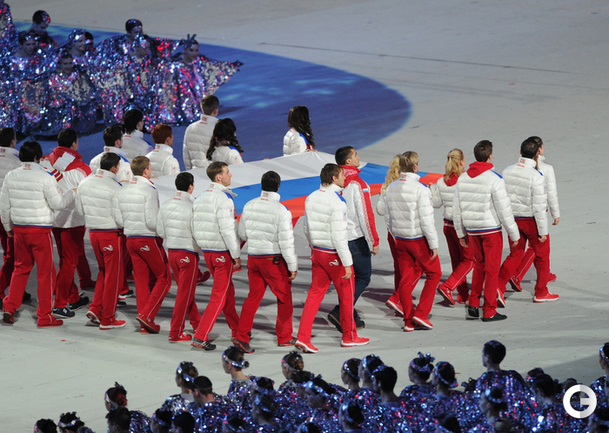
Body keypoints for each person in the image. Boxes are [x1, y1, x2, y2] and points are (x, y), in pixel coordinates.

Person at [295, 163, 370, 353]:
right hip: (334, 255)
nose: (345, 178)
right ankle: (349, 336)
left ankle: (303, 337)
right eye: (342, 175)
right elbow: (339, 236)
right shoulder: (338, 202)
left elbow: (306, 228)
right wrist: (347, 263)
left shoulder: (311, 197)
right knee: (346, 295)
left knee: (314, 295)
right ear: (334, 178)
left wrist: (313, 247)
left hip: (318, 252)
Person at [0, 141, 75, 327]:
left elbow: (4, 205)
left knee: (20, 268)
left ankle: (9, 306)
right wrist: (72, 194)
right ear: (37, 157)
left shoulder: (11, 175)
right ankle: (44, 315)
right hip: (40, 230)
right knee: (45, 273)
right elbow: (57, 203)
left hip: (19, 229)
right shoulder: (45, 176)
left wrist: (8, 227)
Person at [453, 140, 520, 322]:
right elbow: (504, 209)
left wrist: (461, 233)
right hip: (490, 230)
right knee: (492, 270)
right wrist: (513, 233)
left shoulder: (463, 178)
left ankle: (473, 304)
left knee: (479, 265)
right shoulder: (494, 179)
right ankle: (489, 310)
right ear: (490, 156)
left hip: (472, 230)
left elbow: (456, 208)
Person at [234, 171, 298, 353]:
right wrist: (292, 265)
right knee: (284, 298)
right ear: (278, 186)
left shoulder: (249, 205)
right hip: (273, 261)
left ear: (262, 185)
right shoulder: (281, 210)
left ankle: (241, 336)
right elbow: (286, 241)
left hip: (254, 258)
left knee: (253, 298)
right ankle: (285, 337)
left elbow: (242, 234)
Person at [114, 156, 171, 334]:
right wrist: (164, 230)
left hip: (130, 239)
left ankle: (144, 322)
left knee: (141, 282)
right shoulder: (149, 190)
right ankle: (147, 315)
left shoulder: (122, 190)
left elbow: (118, 219)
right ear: (146, 170)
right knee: (164, 278)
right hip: (147, 238)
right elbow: (152, 221)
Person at [385, 151, 441, 331]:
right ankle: (422, 314)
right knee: (435, 273)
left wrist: (395, 234)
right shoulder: (421, 190)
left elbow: (387, 216)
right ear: (416, 166)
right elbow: (427, 221)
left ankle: (408, 320)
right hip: (417, 240)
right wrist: (433, 244)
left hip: (400, 239)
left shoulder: (391, 187)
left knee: (405, 279)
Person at [496, 137, 557, 303]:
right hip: (531, 222)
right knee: (542, 255)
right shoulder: (536, 176)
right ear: (537, 153)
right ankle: (541, 292)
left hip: (512, 219)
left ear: (520, 151)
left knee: (515, 254)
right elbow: (539, 206)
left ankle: (498, 286)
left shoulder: (506, 171)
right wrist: (543, 231)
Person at [41, 128, 92, 319]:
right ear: (74, 144)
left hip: (53, 218)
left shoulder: (44, 161)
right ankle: (60, 304)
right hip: (73, 221)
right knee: (70, 262)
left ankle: (73, 297)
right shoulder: (83, 169)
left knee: (64, 260)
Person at [327, 146, 379, 332]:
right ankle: (340, 312)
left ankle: (351, 316)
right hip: (355, 239)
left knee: (348, 280)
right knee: (363, 277)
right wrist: (373, 240)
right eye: (355, 155)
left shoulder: (332, 182)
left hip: (336, 239)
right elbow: (365, 215)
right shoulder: (358, 184)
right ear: (348, 161)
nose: (358, 157)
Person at [191, 162, 241, 350]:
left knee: (228, 292)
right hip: (221, 253)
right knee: (219, 295)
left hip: (208, 252)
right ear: (219, 177)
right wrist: (236, 254)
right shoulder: (224, 199)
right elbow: (227, 230)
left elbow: (193, 225)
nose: (231, 175)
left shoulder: (200, 197)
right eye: (228, 172)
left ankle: (237, 329)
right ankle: (200, 336)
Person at [75, 152, 125, 330]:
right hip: (110, 234)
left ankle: (96, 308)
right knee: (113, 276)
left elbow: (79, 211)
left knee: (104, 272)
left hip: (93, 234)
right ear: (114, 168)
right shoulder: (116, 187)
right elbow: (120, 217)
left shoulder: (85, 182)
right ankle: (108, 318)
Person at [510, 136, 560, 290]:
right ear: (540, 150)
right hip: (536, 213)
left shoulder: (517, 168)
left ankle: (544, 274)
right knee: (538, 248)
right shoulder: (546, 168)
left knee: (529, 248)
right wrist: (555, 213)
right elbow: (551, 193)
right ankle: (518, 275)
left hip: (516, 214)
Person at [157, 172, 202, 342]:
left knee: (185, 291)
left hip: (172, 253)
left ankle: (197, 323)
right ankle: (175, 331)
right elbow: (197, 233)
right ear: (191, 186)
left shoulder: (166, 204)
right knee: (185, 294)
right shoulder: (193, 206)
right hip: (188, 254)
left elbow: (160, 231)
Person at [431, 149, 473, 305]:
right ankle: (448, 286)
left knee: (457, 261)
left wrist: (432, 190)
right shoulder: (466, 180)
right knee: (469, 260)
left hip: (447, 226)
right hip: (461, 226)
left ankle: (463, 295)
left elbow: (436, 204)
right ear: (461, 161)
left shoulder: (441, 181)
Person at [375, 154, 411, 317]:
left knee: (399, 267)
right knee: (411, 268)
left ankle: (400, 298)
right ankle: (399, 298)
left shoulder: (386, 186)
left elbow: (380, 210)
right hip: (406, 233)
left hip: (391, 233)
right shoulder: (406, 186)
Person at [0, 127, 20, 304]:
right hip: (8, 214)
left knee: (9, 255)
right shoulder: (17, 161)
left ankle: (15, 289)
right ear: (13, 141)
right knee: (12, 256)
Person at [183, 95, 219, 170]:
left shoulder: (190, 128)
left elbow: (186, 156)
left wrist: (190, 172)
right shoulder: (220, 128)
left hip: (196, 172)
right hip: (215, 173)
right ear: (215, 111)